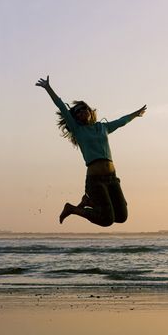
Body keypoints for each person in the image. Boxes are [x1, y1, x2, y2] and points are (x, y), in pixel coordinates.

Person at [36, 76, 147, 226]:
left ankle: (88, 201)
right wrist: (48, 88)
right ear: (75, 118)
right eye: (77, 112)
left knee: (121, 217)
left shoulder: (103, 128)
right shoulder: (78, 130)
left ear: (89, 110)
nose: (81, 112)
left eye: (83, 109)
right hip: (95, 180)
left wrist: (136, 114)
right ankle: (72, 209)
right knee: (106, 220)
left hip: (112, 178)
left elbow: (121, 121)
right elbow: (61, 106)